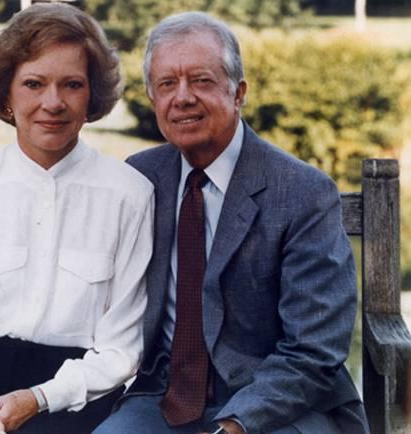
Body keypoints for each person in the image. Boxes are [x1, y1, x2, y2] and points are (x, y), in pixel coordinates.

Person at [94, 11, 370, 434]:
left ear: (238, 93)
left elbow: (314, 350)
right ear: (152, 98)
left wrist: (235, 425)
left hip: (280, 402)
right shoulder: (142, 177)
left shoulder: (303, 192)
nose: (182, 97)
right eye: (167, 84)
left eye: (201, 80)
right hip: (164, 397)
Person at [0, 3, 154, 434]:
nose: (52, 103)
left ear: (92, 96)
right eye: (33, 84)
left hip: (75, 397)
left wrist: (40, 398)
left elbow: (121, 349)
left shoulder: (129, 196)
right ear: (6, 95)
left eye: (72, 85)